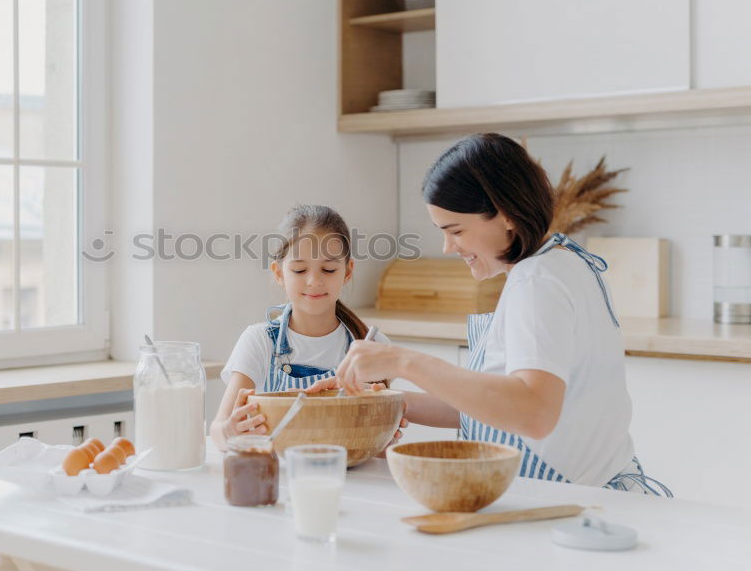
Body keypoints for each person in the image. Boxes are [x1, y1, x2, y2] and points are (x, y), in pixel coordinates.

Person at [321, 133, 671, 494]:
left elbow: (533, 413)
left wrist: (403, 362)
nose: (448, 247)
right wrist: (379, 403)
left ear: (504, 214)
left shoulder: (536, 283)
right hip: (591, 496)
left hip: (569, 504)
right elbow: (491, 408)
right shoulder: (563, 262)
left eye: (455, 231)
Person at [210, 204, 396, 451]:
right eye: (299, 269)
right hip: (278, 480)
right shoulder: (259, 341)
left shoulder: (371, 344)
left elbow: (380, 448)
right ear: (279, 272)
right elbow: (218, 431)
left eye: (329, 269)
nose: (314, 281)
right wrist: (229, 432)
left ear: (348, 271)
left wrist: (384, 433)